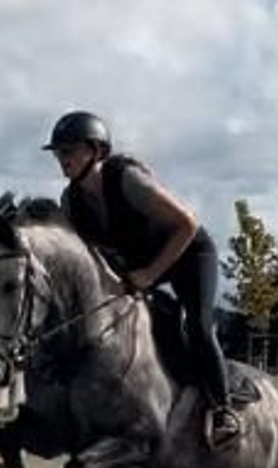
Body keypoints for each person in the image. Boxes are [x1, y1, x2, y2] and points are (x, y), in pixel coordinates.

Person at [42, 110, 241, 449]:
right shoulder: (71, 202)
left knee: (198, 326)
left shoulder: (127, 180)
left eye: (69, 150)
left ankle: (224, 411)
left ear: (95, 150)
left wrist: (149, 275)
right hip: (140, 265)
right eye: (59, 152)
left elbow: (186, 224)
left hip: (188, 253)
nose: (62, 159)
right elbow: (90, 257)